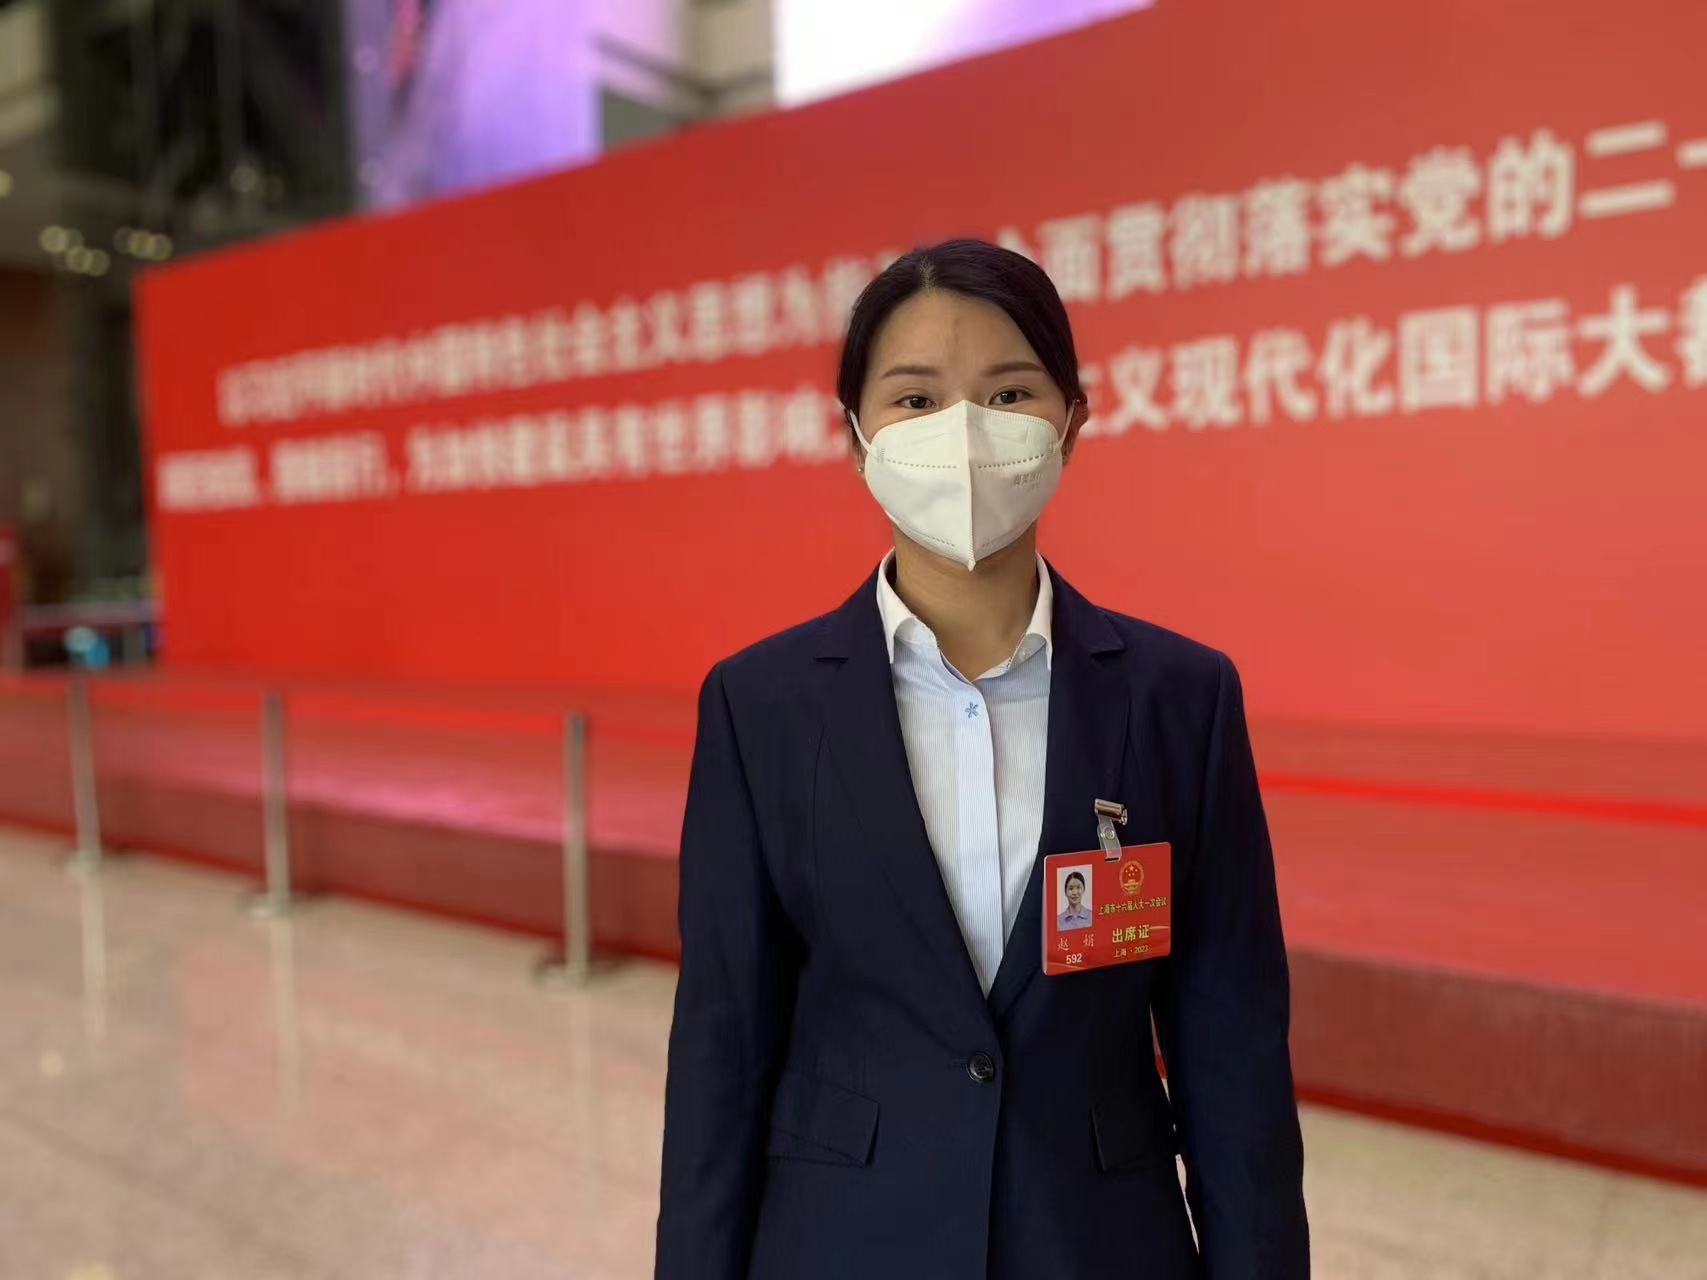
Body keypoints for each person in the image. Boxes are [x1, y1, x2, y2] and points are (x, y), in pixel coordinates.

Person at [655, 239, 1308, 1279]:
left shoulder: (1178, 699)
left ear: (1071, 423)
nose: (961, 431)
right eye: (915, 399)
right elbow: (722, 1043)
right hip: (843, 1243)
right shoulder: (762, 705)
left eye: (1008, 392)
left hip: (1098, 1246)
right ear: (857, 436)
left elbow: (1232, 1049)